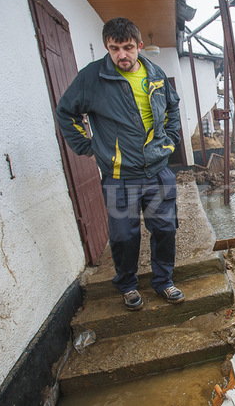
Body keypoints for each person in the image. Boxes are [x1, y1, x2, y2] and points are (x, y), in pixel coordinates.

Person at [56, 17, 184, 310]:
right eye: (114, 48)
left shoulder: (155, 74)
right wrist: (88, 148)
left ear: (139, 46)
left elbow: (172, 107)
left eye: (127, 47)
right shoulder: (92, 77)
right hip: (119, 177)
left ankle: (163, 281)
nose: (121, 55)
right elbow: (66, 112)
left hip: (157, 172)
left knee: (165, 229)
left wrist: (171, 140)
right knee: (124, 236)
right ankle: (127, 285)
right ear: (107, 47)